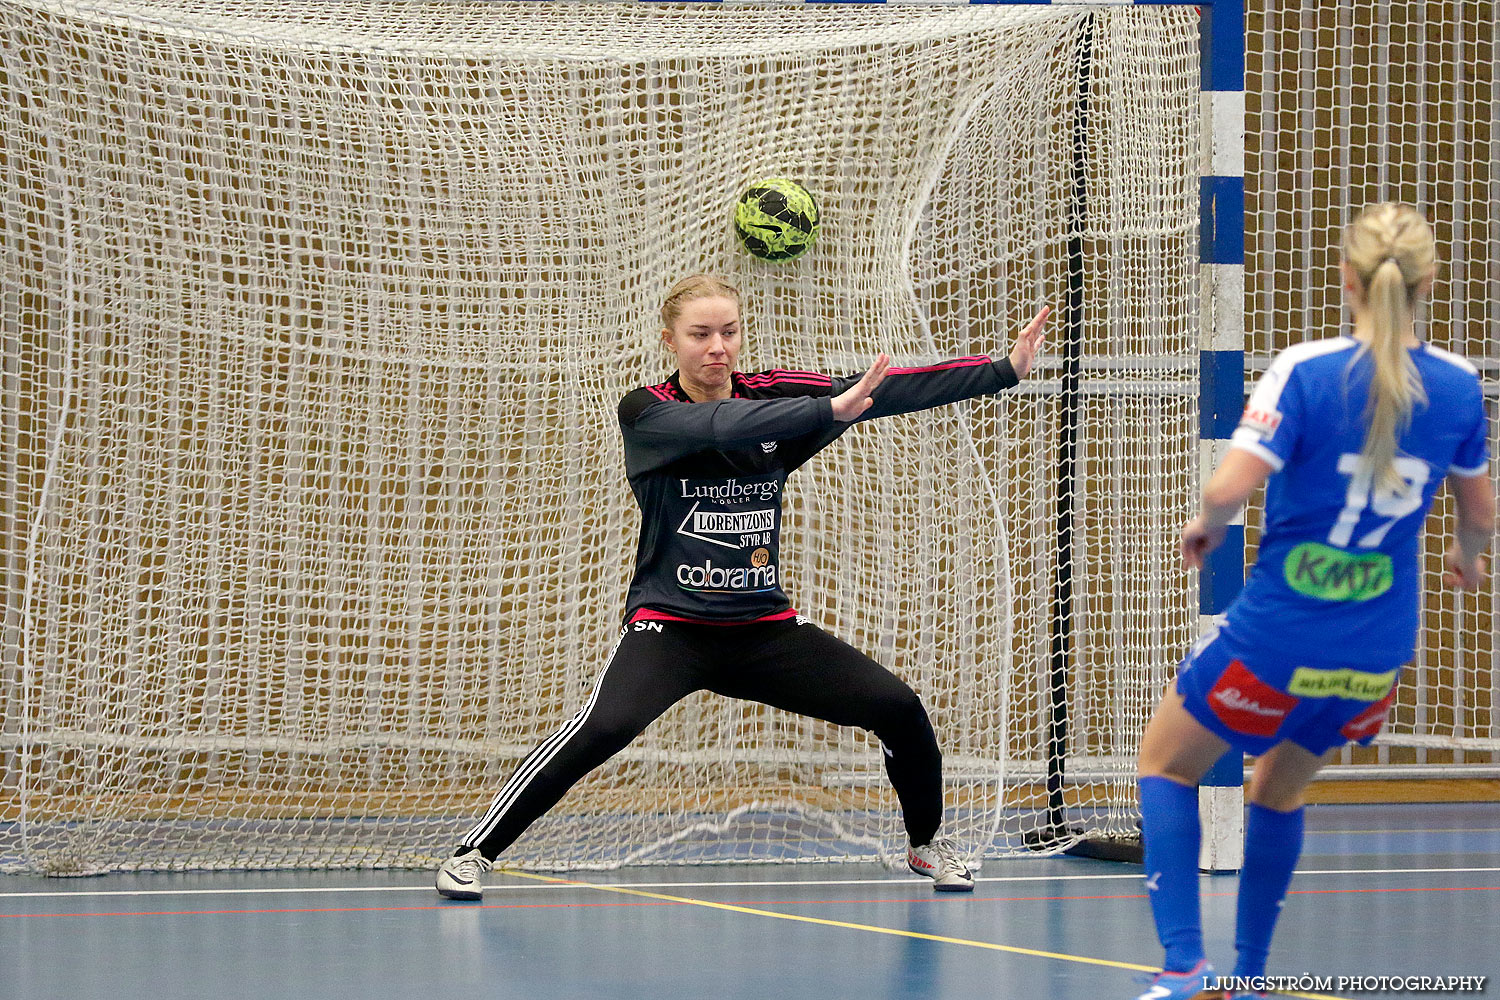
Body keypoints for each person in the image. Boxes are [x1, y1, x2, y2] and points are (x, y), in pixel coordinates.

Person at [433, 274, 1050, 900]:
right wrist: (825, 411)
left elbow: (876, 392)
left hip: (762, 630)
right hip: (671, 627)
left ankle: (925, 844)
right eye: (700, 335)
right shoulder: (647, 412)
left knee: (899, 709)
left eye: (728, 332)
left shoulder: (777, 397)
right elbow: (721, 429)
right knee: (598, 732)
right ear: (670, 339)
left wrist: (1003, 369)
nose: (717, 347)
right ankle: (473, 853)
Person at [1131, 203, 1495, 1000]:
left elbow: (1230, 484)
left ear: (1347, 280)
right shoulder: (1462, 387)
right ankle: (1251, 979)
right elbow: (1479, 515)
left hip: (1277, 635)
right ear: (1429, 282)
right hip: (1374, 652)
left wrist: (1206, 525)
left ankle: (1184, 965)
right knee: (1280, 788)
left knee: (1164, 765)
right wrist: (1466, 562)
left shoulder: (1307, 369)